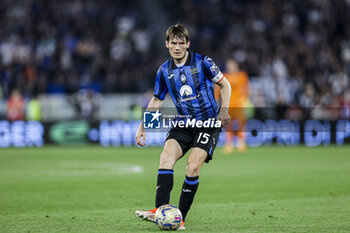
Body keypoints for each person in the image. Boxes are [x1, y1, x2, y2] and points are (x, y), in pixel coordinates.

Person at [135, 24, 231, 230]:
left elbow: (225, 84)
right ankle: (160, 210)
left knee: (193, 167)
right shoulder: (163, 70)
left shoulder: (203, 62)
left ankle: (180, 219)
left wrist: (224, 109)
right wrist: (143, 126)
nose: (177, 47)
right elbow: (157, 100)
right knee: (165, 157)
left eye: (181, 43)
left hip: (207, 123)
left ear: (187, 44)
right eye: (173, 43)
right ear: (166, 44)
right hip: (183, 122)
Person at [215, 59, 250, 153]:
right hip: (228, 104)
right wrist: (216, 99)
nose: (231, 67)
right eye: (229, 65)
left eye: (232, 65)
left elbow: (246, 89)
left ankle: (241, 143)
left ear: (236, 66)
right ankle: (229, 144)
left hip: (239, 105)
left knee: (241, 123)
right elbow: (218, 89)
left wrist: (246, 99)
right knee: (228, 125)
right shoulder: (224, 76)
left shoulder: (242, 76)